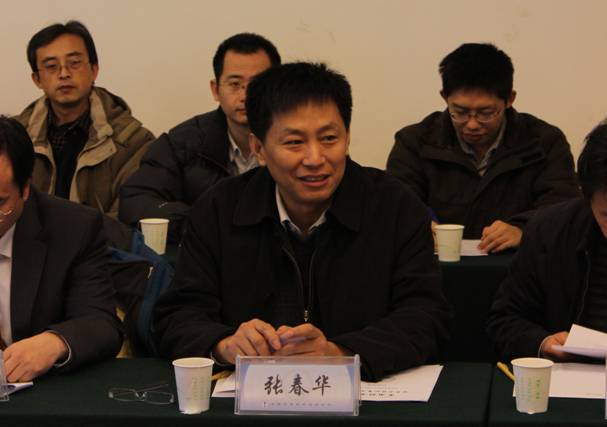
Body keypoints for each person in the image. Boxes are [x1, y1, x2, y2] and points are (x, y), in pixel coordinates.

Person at [153, 62, 450, 381]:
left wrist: (340, 353)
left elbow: (427, 316)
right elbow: (178, 315)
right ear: (258, 148)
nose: (315, 158)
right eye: (294, 142)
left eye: (329, 138)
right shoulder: (218, 209)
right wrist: (224, 344)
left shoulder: (395, 206)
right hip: (253, 398)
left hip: (365, 396)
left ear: (348, 137)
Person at [386, 43, 579, 253]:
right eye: (460, 112)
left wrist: (523, 229)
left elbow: (562, 206)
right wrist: (417, 225)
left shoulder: (544, 142)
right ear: (444, 97)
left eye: (486, 113)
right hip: (435, 265)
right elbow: (396, 202)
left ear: (510, 99)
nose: (472, 124)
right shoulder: (414, 141)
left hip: (518, 264)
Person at [119, 33, 281, 243]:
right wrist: (204, 223)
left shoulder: (299, 141)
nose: (245, 96)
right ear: (215, 90)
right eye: (234, 84)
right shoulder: (181, 143)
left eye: (257, 85)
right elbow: (136, 201)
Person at [0, 117, 122, 382]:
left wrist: (55, 342)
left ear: (25, 189)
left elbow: (101, 324)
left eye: (0, 203)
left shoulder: (73, 229)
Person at [487, 123, 607, 361]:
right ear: (587, 198)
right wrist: (542, 342)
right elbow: (505, 320)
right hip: (572, 374)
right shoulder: (550, 230)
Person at [15, 21, 154, 221]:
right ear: (37, 79)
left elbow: (127, 220)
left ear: (94, 70)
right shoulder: (14, 140)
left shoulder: (133, 142)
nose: (64, 74)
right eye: (52, 66)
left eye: (74, 63)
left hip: (99, 242)